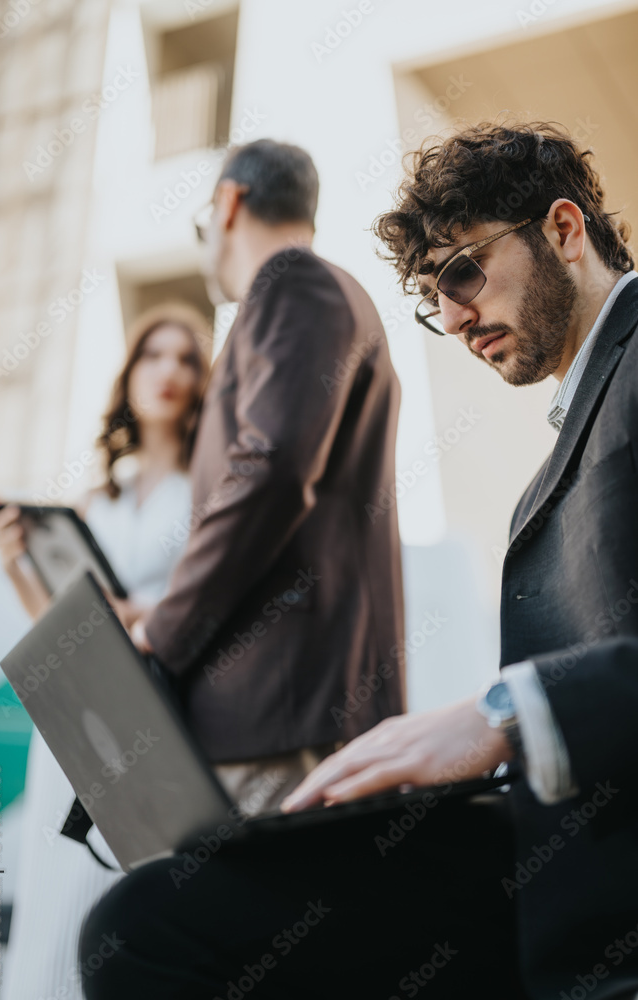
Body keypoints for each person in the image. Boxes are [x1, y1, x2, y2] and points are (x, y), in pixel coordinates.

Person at [80, 121, 638, 1000]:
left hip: (580, 878)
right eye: (431, 295)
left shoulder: (296, 288)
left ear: (564, 231)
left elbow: (270, 477)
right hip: (550, 851)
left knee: (148, 930)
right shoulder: (555, 451)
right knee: (148, 921)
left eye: (463, 272)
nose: (450, 318)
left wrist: (505, 713)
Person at [125, 139, 406, 810]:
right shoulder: (317, 294)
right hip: (294, 709)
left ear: (228, 204)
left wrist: (165, 629)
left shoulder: (291, 282)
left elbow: (271, 469)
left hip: (277, 711)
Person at [0, 301, 211, 1000]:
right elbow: (58, 628)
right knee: (49, 910)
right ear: (130, 373)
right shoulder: (94, 500)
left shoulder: (210, 491)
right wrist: (16, 565)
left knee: (116, 908)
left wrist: (140, 613)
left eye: (186, 358)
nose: (169, 370)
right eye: (154, 355)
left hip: (147, 717)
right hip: (72, 719)